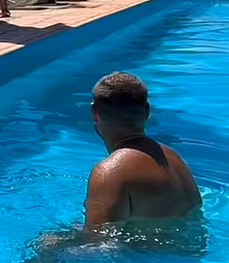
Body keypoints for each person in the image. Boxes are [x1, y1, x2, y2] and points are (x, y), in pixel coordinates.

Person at [81, 72, 201, 226]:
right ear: (147, 111)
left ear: (94, 113)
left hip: (151, 250)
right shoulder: (173, 157)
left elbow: (97, 244)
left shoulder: (110, 172)